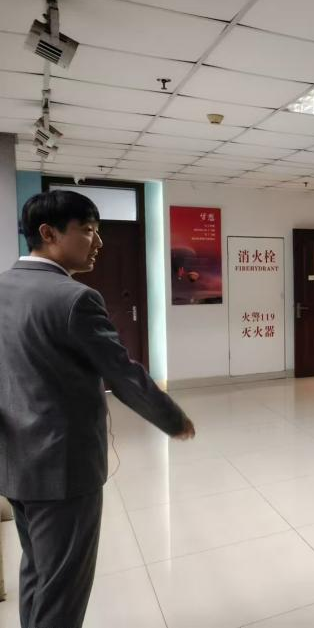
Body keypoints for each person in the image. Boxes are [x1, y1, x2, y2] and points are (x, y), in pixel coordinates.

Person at [0, 190, 196, 628]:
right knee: (63, 588)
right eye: (88, 230)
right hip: (63, 467)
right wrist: (173, 419)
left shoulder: (4, 286)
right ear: (49, 233)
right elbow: (121, 374)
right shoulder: (74, 298)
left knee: (37, 571)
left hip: (14, 463)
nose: (98, 242)